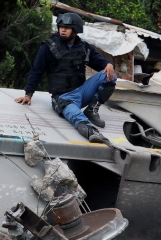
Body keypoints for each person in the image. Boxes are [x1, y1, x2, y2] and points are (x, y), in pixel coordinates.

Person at [15, 13, 117, 143]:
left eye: (67, 28)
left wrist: (109, 64)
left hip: (82, 92)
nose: (63, 30)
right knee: (77, 117)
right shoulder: (48, 47)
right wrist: (28, 94)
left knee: (109, 75)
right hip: (64, 98)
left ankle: (91, 110)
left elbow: (100, 62)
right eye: (61, 27)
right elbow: (36, 71)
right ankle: (92, 133)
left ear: (75, 30)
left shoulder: (84, 47)